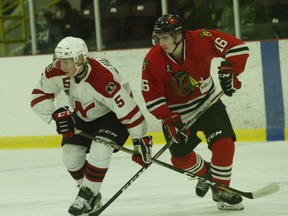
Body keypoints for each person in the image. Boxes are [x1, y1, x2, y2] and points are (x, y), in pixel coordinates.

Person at [30, 36, 153, 215]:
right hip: (82, 113)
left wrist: (139, 140)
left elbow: (129, 111)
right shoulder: (56, 70)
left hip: (112, 115)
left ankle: (87, 195)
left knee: (101, 148)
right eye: (60, 61)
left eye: (67, 62)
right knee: (70, 155)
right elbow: (39, 96)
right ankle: (89, 194)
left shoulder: (103, 78)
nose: (62, 66)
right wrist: (55, 114)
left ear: (81, 59)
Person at [141, 14, 249, 210]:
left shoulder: (201, 38)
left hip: (207, 103)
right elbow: (152, 98)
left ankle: (221, 190)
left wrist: (232, 69)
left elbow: (237, 47)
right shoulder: (152, 60)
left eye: (165, 38)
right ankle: (208, 174)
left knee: (224, 144)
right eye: (158, 37)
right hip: (176, 114)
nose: (160, 42)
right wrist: (169, 119)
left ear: (179, 35)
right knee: (180, 159)